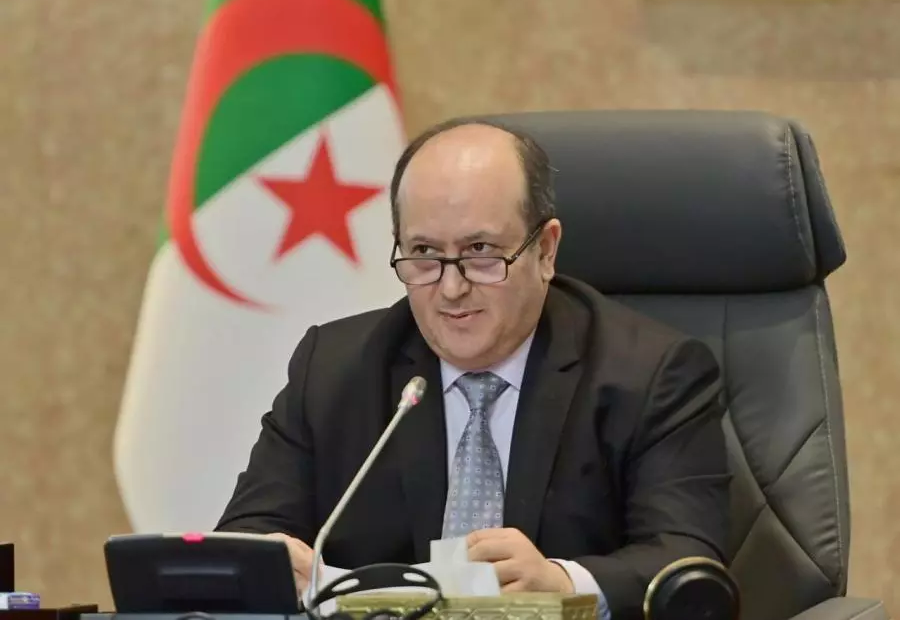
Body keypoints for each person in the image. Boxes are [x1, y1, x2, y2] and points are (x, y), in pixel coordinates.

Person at [215, 118, 730, 620]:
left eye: (480, 251)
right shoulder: (334, 367)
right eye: (424, 253)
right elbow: (248, 536)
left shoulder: (652, 373)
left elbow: (686, 559)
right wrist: (271, 565)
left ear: (545, 250)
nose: (452, 288)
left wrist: (564, 583)